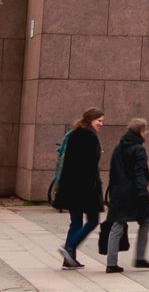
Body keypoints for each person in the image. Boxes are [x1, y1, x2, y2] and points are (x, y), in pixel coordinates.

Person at [52, 108, 104, 269]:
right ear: (90, 120)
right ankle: (69, 246)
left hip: (70, 186)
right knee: (93, 220)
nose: (101, 124)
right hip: (86, 188)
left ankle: (69, 260)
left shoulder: (74, 133)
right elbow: (88, 165)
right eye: (99, 120)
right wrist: (93, 186)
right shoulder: (89, 136)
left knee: (75, 222)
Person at [103, 117, 149, 274]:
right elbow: (139, 174)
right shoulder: (139, 149)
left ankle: (111, 263)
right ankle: (140, 258)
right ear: (141, 131)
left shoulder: (118, 148)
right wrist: (142, 193)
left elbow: (113, 172)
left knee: (117, 225)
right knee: (145, 220)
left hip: (119, 193)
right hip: (134, 194)